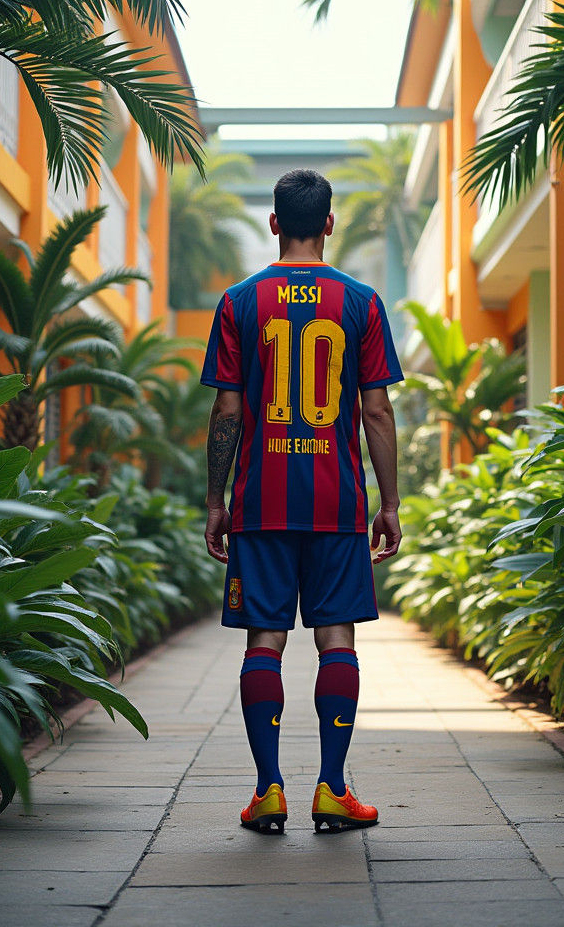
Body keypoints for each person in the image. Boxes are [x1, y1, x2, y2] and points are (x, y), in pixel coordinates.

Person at [200, 168, 402, 835]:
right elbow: (376, 411)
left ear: (275, 223)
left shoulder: (238, 302)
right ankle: (333, 790)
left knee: (265, 641)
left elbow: (227, 408)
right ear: (331, 223)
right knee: (335, 639)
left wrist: (215, 500)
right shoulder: (363, 302)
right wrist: (389, 502)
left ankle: (268, 793)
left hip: (260, 502)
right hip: (336, 504)